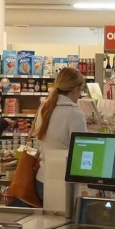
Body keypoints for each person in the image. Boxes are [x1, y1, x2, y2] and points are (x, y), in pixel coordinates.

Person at [32, 67, 87, 201]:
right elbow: (82, 151)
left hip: (42, 179)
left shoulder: (44, 108)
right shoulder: (74, 113)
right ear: (76, 89)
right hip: (63, 184)